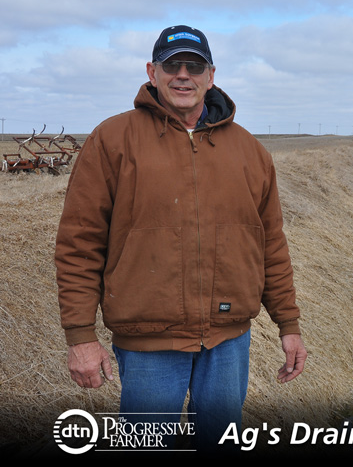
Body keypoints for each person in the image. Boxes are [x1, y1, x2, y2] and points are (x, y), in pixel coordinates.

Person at [55, 25, 307, 453]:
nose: (183, 75)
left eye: (195, 65)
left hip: (228, 342)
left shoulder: (250, 151)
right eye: (172, 65)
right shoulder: (112, 140)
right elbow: (79, 245)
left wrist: (289, 324)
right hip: (148, 344)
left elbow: (271, 247)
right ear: (152, 72)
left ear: (212, 75)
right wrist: (81, 337)